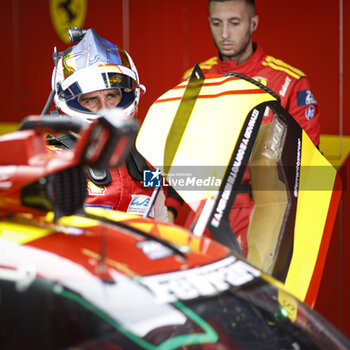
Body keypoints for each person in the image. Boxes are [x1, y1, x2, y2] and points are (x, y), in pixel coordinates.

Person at [167, 0, 321, 255]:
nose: (225, 34)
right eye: (217, 23)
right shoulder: (194, 80)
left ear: (253, 23)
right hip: (205, 211)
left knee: (255, 294)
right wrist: (169, 211)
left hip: (266, 213)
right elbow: (179, 152)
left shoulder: (289, 81)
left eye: (234, 23)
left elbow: (307, 165)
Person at [47, 28, 168, 222]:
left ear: (129, 94)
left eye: (112, 95)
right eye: (91, 100)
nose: (104, 108)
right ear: (69, 103)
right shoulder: (51, 162)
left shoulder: (148, 158)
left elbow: (161, 224)